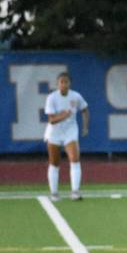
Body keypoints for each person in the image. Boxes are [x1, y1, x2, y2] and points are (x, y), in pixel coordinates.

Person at [44, 71, 89, 201]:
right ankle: (54, 193)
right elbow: (51, 120)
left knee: (74, 159)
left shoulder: (76, 96)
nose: (64, 84)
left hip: (70, 131)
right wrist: (63, 115)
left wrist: (85, 127)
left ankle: (75, 192)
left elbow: (85, 109)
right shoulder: (52, 98)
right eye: (61, 82)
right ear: (57, 84)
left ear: (70, 83)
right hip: (54, 132)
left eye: (66, 82)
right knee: (54, 163)